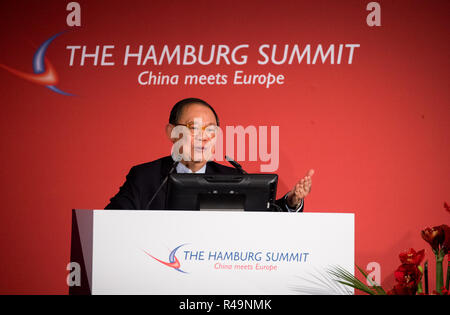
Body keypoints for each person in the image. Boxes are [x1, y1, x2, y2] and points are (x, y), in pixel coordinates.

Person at [105, 98, 314, 211]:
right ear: (172, 133)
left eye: (211, 130)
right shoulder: (145, 177)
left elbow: (261, 220)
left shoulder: (233, 178)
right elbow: (111, 222)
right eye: (193, 128)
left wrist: (292, 201)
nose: (204, 137)